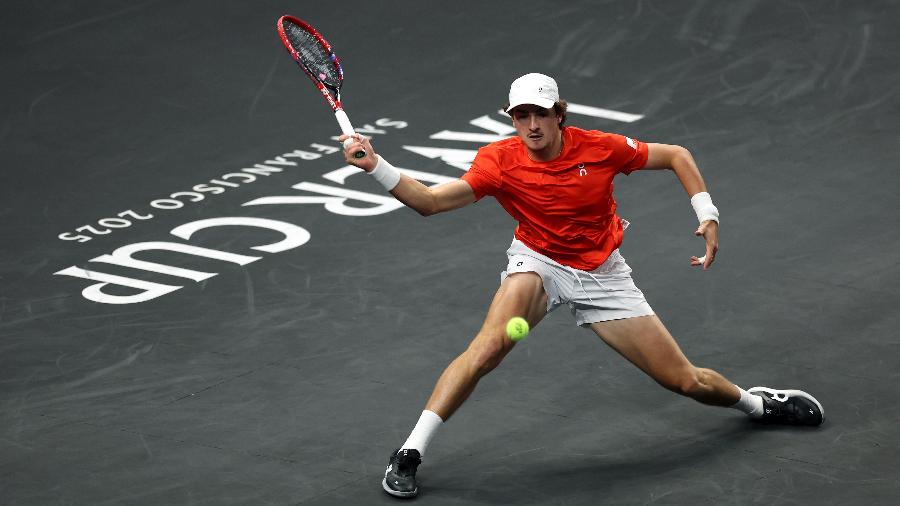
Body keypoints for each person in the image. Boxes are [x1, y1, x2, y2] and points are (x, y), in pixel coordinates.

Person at [339, 73, 824, 499]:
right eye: (521, 115)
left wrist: (708, 214)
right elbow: (429, 202)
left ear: (559, 115)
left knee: (684, 381)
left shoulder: (600, 147)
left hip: (601, 275)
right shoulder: (499, 161)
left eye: (540, 114)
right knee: (488, 348)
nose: (531, 125)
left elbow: (677, 155)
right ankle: (409, 453)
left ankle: (758, 404)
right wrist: (376, 165)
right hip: (539, 263)